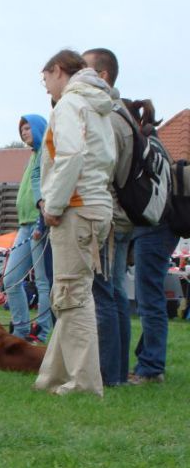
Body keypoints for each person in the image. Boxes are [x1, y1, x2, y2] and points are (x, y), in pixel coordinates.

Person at [34, 50, 115, 397]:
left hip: (76, 207)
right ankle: (52, 376)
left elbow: (71, 156)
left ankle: (83, 383)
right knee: (69, 292)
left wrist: (53, 204)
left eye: (45, 79)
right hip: (96, 204)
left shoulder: (69, 104)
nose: (46, 88)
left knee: (72, 294)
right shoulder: (98, 106)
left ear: (57, 71)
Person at [82, 48, 134, 386]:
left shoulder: (109, 118)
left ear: (102, 76)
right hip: (125, 216)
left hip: (110, 217)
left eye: (83, 70)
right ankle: (117, 371)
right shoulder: (124, 114)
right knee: (115, 292)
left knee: (103, 293)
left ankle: (108, 373)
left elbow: (104, 172)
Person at [121, 98, 179, 385]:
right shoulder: (153, 141)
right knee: (149, 296)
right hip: (160, 228)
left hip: (154, 228)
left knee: (149, 299)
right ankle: (147, 358)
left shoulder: (143, 145)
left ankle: (151, 367)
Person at [2, 114, 52, 343]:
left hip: (39, 224)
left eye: (28, 128)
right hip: (24, 225)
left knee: (42, 281)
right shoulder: (32, 156)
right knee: (10, 278)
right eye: (21, 129)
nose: (24, 132)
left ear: (40, 128)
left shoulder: (46, 153)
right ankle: (20, 330)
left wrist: (41, 222)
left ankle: (42, 332)